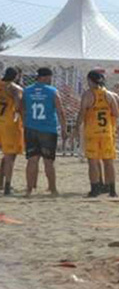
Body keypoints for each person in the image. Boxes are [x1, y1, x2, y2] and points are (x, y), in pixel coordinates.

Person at [76, 70, 119, 197]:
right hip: (107, 133)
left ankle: (95, 189)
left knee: (93, 162)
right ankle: (112, 190)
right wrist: (118, 128)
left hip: (92, 132)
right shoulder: (111, 95)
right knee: (108, 162)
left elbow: (82, 114)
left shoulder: (88, 95)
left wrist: (76, 128)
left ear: (89, 80)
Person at [23, 67, 67, 197]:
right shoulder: (52, 91)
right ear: (46, 77)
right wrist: (64, 129)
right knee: (48, 161)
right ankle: (52, 189)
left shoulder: (27, 90)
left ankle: (29, 189)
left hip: (31, 127)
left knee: (32, 160)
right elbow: (60, 111)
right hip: (48, 129)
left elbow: (23, 109)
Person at [0, 67, 25, 196]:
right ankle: (8, 187)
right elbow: (19, 106)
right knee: (10, 156)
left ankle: (1, 182)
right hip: (10, 123)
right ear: (16, 76)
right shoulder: (15, 88)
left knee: (6, 155)